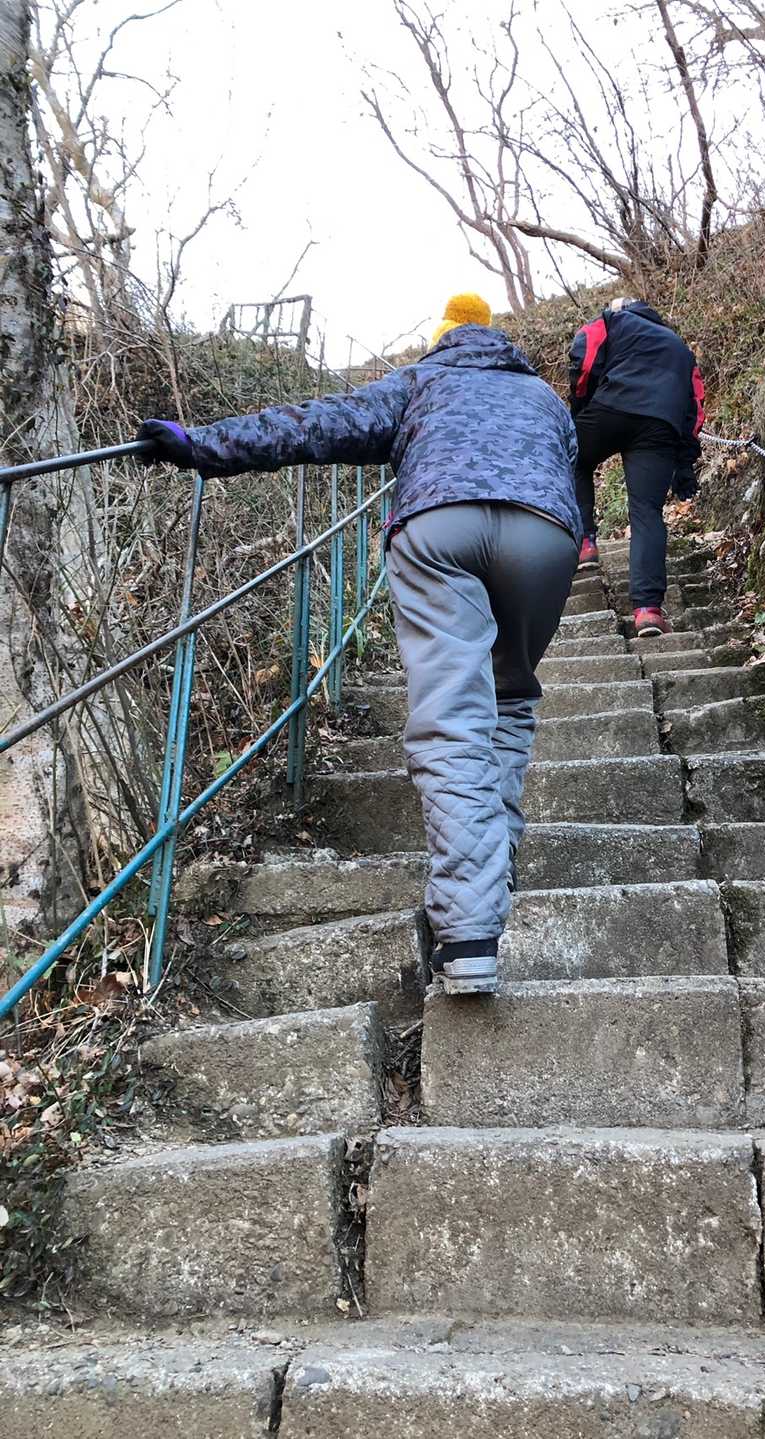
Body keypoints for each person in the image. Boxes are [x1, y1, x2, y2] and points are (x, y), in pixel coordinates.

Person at [136, 292, 580, 996]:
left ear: (442, 339)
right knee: (509, 699)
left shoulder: (421, 380)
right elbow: (569, 466)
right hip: (544, 538)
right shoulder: (544, 396)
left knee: (453, 716)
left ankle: (469, 933)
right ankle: (488, 871)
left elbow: (319, 423)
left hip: (439, 530)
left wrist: (204, 444)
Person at [569, 297, 704, 636]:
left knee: (573, 457)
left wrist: (581, 406)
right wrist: (684, 462)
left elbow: (584, 355)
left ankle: (585, 542)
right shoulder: (681, 349)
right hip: (659, 426)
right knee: (646, 512)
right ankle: (647, 610)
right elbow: (694, 409)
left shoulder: (612, 320)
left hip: (611, 407)